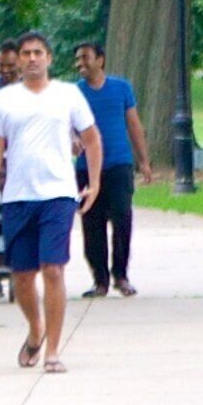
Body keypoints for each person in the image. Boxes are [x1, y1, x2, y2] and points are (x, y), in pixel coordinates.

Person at [0, 31, 101, 373]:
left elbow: (91, 138)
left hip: (57, 193)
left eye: (38, 53)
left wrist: (94, 182)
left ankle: (54, 351)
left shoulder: (68, 95)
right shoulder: (4, 100)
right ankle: (36, 329)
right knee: (23, 276)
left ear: (49, 58)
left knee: (54, 270)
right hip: (18, 195)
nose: (32, 58)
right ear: (20, 59)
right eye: (26, 53)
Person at [71, 41, 149, 299]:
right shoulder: (74, 93)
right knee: (92, 225)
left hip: (119, 164)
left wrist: (144, 161)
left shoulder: (121, 88)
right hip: (86, 168)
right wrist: (72, 139)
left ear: (100, 60)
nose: (80, 64)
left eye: (85, 58)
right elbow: (66, 125)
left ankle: (121, 275)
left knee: (122, 219)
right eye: (78, 60)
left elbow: (133, 125)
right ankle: (100, 280)